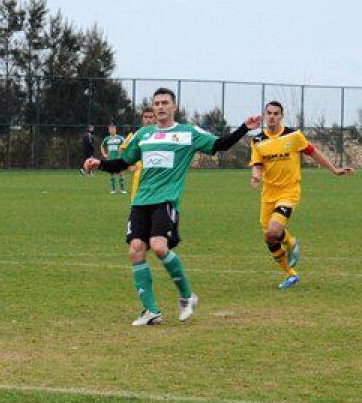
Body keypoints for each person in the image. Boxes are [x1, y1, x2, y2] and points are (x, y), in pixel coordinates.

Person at [84, 86, 262, 325]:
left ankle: (187, 297)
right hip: (140, 201)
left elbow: (220, 144)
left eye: (164, 103)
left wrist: (244, 128)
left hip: (165, 200)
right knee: (135, 250)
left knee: (158, 246)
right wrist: (100, 164)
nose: (160, 107)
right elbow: (123, 162)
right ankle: (151, 311)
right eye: (156, 103)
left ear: (174, 106)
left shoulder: (188, 133)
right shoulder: (143, 135)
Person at [249, 100, 353, 289]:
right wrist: (256, 177)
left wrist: (334, 170)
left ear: (281, 116)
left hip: (289, 192)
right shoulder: (257, 140)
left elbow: (314, 153)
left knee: (274, 230)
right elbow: (257, 164)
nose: (272, 116)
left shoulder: (294, 136)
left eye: (276, 113)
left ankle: (291, 242)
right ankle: (291, 274)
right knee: (269, 237)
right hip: (268, 194)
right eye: (269, 113)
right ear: (265, 115)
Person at [123, 108, 156, 202]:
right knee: (137, 206)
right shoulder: (138, 134)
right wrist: (129, 166)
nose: (148, 120)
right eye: (146, 117)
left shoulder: (162, 133)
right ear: (142, 119)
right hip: (140, 176)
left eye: (151, 117)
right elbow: (123, 150)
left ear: (155, 118)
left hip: (157, 176)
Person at [100, 125, 126, 193]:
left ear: (115, 130)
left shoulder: (120, 138)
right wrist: (104, 154)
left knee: (120, 173)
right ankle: (113, 189)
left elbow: (125, 145)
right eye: (110, 129)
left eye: (113, 129)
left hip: (118, 158)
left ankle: (122, 189)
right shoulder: (107, 139)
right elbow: (102, 146)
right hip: (110, 158)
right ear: (109, 131)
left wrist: (123, 154)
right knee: (112, 174)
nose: (112, 130)